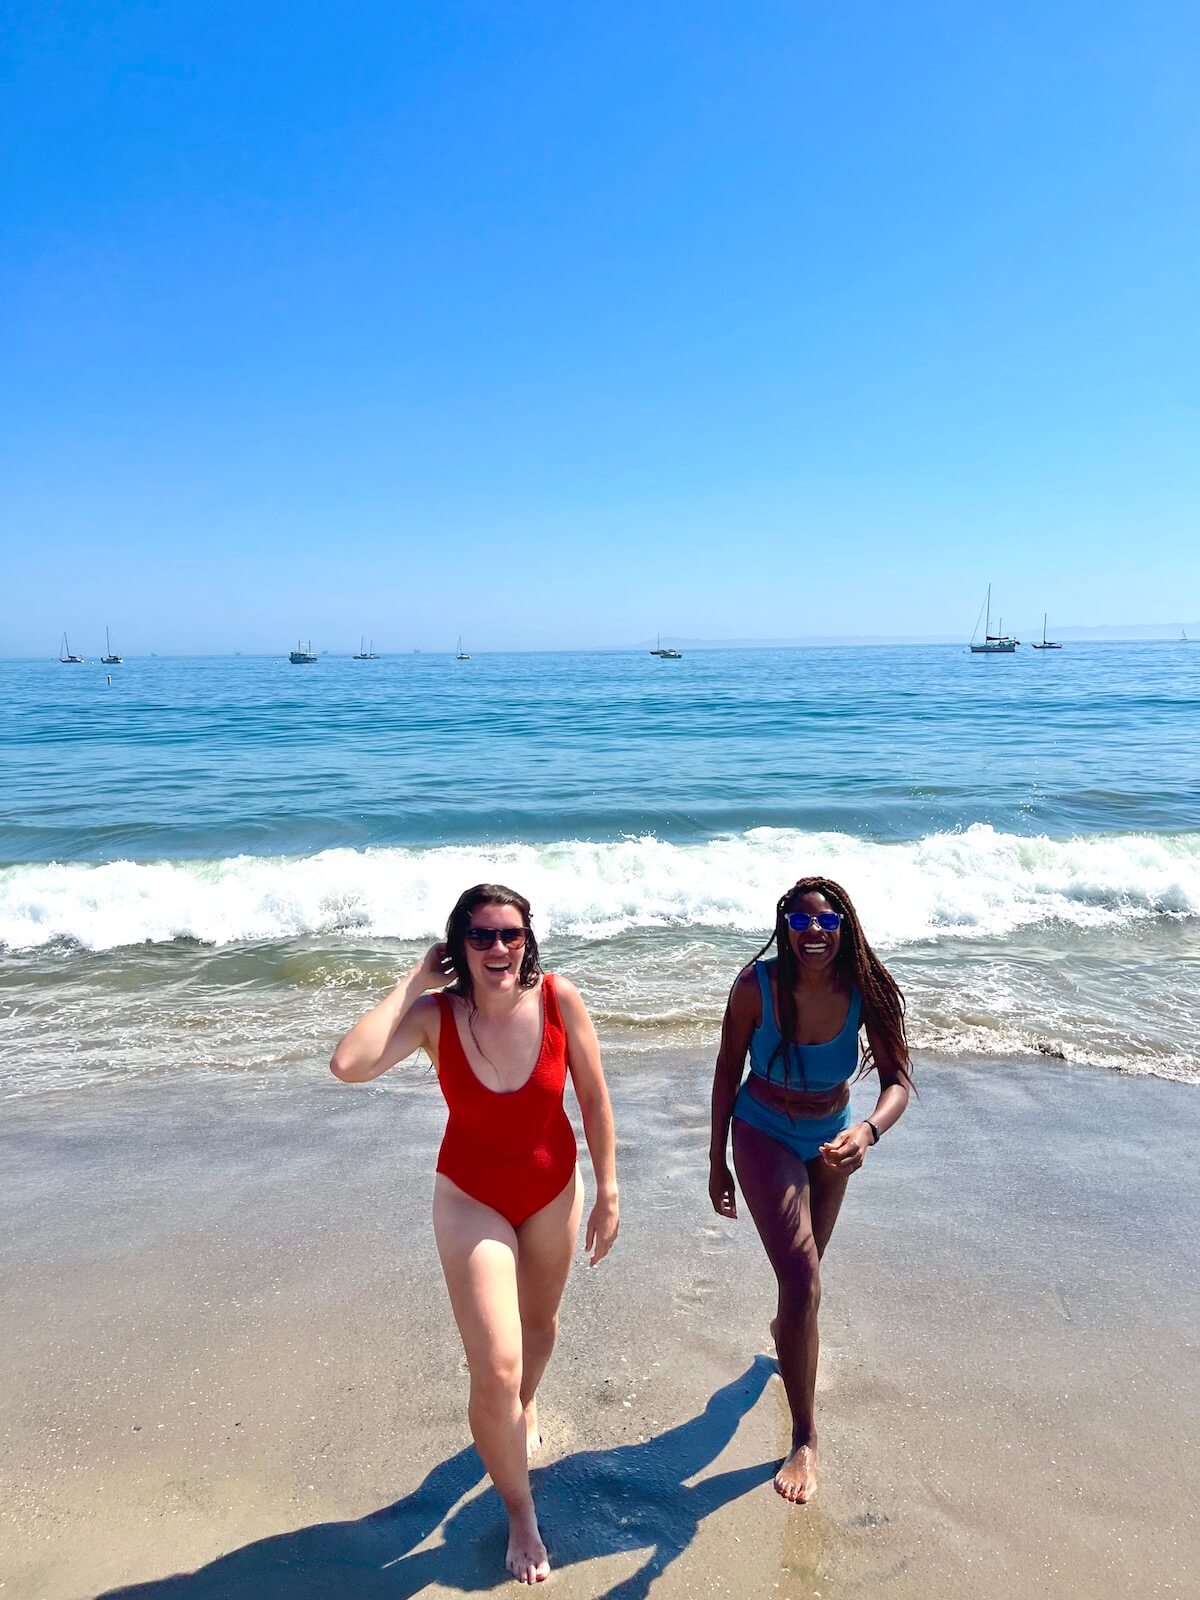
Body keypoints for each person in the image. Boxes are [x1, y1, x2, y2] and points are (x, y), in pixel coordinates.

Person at [330, 883, 619, 1583]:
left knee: (540, 1326)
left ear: (528, 940)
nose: (497, 948)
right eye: (482, 935)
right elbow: (348, 1065)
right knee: (495, 1364)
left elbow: (594, 1094)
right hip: (470, 1198)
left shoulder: (559, 998)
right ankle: (520, 1511)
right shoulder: (436, 1016)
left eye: (510, 934)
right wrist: (411, 982)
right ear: (458, 944)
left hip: (551, 1190)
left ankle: (519, 1412)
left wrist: (609, 1189)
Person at [708, 875, 911, 1505]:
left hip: (830, 1142)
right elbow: (725, 1068)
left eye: (825, 922)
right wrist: (716, 1160)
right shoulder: (756, 987)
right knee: (803, 1280)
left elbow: (898, 1082)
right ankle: (804, 1435)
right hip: (762, 1130)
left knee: (805, 1278)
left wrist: (869, 1132)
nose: (813, 933)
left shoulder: (866, 992)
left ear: (844, 927)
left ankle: (785, 1331)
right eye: (800, 923)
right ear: (785, 928)